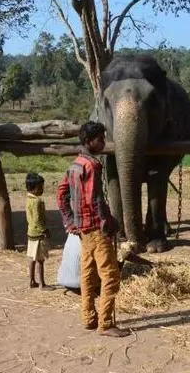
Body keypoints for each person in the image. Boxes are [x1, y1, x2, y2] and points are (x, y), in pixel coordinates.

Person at [57, 121, 130, 338]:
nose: (103, 142)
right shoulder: (92, 165)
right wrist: (108, 221)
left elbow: (61, 194)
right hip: (98, 230)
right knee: (110, 276)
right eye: (100, 139)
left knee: (88, 276)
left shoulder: (74, 165)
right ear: (89, 141)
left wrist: (70, 222)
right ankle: (106, 323)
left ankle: (89, 318)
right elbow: (95, 199)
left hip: (83, 230)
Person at [25, 172, 50, 289]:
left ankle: (31, 281)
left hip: (31, 232)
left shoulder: (28, 199)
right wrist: (44, 230)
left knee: (31, 258)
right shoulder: (37, 201)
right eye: (40, 187)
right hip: (39, 234)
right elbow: (37, 219)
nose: (42, 189)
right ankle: (42, 284)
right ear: (33, 188)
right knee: (40, 260)